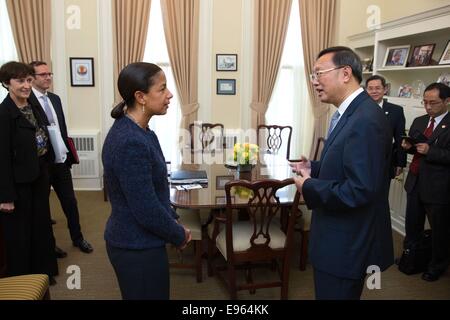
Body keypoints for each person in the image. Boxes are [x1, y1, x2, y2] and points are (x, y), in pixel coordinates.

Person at [290, 47, 394, 299]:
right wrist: (313, 167)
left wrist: (309, 186)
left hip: (346, 245)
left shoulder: (366, 118)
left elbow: (359, 190)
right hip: (338, 239)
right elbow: (349, 164)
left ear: (345, 73)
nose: (314, 82)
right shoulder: (350, 112)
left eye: (318, 74)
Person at [102, 62, 191, 300]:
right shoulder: (130, 141)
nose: (170, 94)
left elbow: (152, 192)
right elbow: (145, 207)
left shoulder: (140, 130)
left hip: (140, 241)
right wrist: (178, 234)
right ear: (140, 96)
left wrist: (172, 222)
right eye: (162, 89)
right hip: (135, 247)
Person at [0, 61, 58, 283]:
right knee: (21, 234)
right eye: (20, 80)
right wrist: (5, 197)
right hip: (18, 183)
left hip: (39, 175)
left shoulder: (33, 106)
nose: (26, 85)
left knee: (41, 226)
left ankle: (43, 272)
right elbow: (2, 159)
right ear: (6, 83)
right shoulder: (4, 114)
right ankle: (24, 279)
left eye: (28, 80)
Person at [28, 61, 93, 255]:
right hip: (41, 164)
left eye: (49, 73)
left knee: (70, 202)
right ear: (31, 78)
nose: (48, 77)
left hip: (60, 161)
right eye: (43, 74)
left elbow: (61, 129)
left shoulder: (55, 99)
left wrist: (66, 154)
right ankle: (50, 244)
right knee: (43, 207)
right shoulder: (27, 100)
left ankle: (78, 238)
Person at [401, 82, 450, 282]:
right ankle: (410, 256)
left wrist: (432, 152)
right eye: (425, 102)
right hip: (414, 181)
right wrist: (408, 147)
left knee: (440, 231)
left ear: (447, 101)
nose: (428, 107)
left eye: (433, 103)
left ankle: (436, 266)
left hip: (438, 187)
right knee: (412, 225)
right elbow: (416, 147)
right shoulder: (420, 121)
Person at [366, 75, 407, 179]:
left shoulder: (396, 111)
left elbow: (400, 138)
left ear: (385, 89)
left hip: (385, 162)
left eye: (378, 88)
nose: (374, 91)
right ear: (366, 90)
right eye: (370, 88)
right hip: (362, 160)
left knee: (382, 193)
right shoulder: (358, 109)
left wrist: (400, 162)